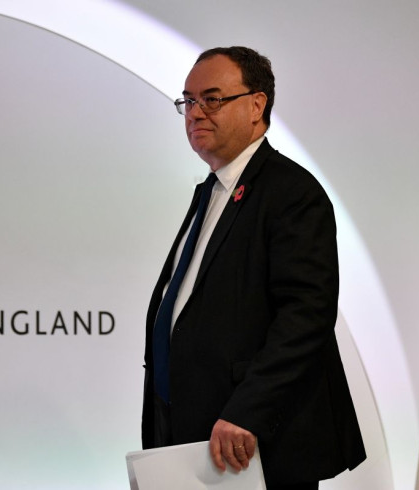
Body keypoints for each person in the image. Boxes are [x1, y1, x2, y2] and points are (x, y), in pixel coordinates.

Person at [142, 46, 366, 489]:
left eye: (212, 98)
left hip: (251, 444)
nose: (195, 112)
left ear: (256, 105)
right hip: (189, 436)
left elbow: (306, 316)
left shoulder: (291, 192)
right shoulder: (212, 190)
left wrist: (247, 411)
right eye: (188, 101)